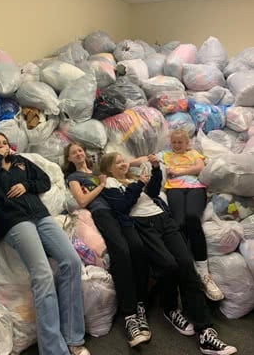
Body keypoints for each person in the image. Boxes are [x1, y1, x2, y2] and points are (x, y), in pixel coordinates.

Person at [99, 151, 237, 355]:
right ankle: (170, 308)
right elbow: (121, 206)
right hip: (142, 225)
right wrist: (137, 185)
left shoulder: (133, 178)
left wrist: (154, 171)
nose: (123, 164)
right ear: (108, 168)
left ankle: (206, 332)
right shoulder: (109, 184)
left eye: (123, 161)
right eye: (117, 162)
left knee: (187, 266)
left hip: (163, 219)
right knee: (169, 265)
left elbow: (153, 193)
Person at [0, 132, 90, 355]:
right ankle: (54, 350)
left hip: (40, 215)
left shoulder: (20, 161)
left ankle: (74, 338)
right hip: (14, 221)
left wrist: (26, 185)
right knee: (42, 274)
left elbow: (43, 181)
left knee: (72, 261)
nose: (2, 145)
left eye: (5, 142)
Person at [63, 142, 151, 348]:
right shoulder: (74, 178)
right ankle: (129, 315)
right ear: (69, 158)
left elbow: (122, 163)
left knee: (138, 249)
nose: (78, 153)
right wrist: (101, 185)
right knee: (121, 250)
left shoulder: (96, 170)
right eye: (73, 152)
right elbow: (82, 201)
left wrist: (145, 159)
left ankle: (141, 307)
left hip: (121, 210)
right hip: (102, 211)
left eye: (80, 149)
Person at [157, 129, 224, 301]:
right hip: (174, 188)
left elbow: (200, 167)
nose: (177, 145)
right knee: (179, 224)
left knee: (192, 217)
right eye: (175, 142)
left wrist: (178, 172)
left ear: (187, 143)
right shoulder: (165, 154)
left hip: (195, 188)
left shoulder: (194, 153)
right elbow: (146, 159)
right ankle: (188, 272)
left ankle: (204, 273)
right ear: (170, 143)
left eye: (181, 142)